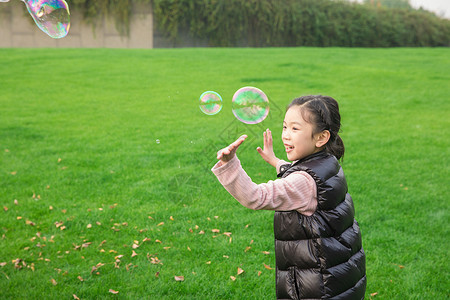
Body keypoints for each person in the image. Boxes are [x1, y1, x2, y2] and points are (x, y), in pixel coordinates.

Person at [211, 95, 366, 299]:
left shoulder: (303, 182)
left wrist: (229, 164)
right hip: (337, 276)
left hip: (314, 286)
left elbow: (255, 196)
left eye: (295, 129)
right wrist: (277, 162)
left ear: (321, 137)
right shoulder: (328, 163)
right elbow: (301, 175)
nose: (286, 135)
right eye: (285, 127)